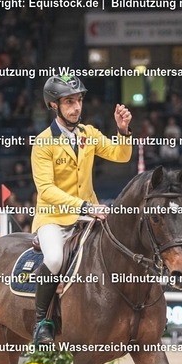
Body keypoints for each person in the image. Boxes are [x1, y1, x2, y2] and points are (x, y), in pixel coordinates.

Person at [31, 74, 132, 345]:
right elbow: (46, 190)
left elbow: (121, 156)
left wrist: (123, 131)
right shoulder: (43, 142)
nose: (76, 107)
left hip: (88, 215)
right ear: (54, 105)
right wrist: (84, 206)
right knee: (54, 259)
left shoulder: (89, 134)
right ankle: (42, 322)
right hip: (53, 218)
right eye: (69, 102)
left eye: (78, 100)